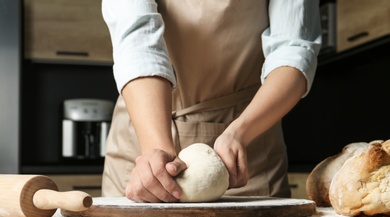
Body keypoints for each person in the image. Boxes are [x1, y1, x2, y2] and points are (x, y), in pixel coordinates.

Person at [101, 0, 322, 202]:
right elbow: (137, 41)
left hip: (243, 154)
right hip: (143, 140)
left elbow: (294, 49)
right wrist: (155, 149)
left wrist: (240, 133)